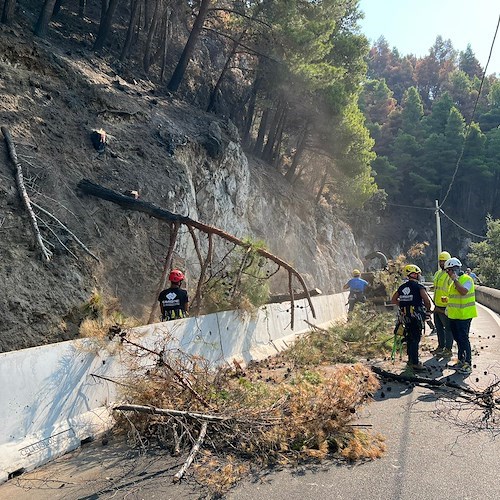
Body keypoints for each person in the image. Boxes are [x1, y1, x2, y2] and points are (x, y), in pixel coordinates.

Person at [391, 264, 433, 372]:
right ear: (414, 274)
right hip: (416, 316)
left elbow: (394, 299)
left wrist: (403, 304)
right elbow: (427, 301)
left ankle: (410, 360)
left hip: (406, 317)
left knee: (409, 337)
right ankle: (415, 363)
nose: (419, 276)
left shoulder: (402, 287)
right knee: (415, 338)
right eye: (418, 274)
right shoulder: (418, 287)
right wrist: (427, 311)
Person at [444, 258, 477, 374]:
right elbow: (455, 298)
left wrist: (455, 279)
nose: (447, 274)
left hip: (464, 316)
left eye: (448, 271)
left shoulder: (467, 279)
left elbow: (463, 291)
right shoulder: (453, 283)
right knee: (458, 340)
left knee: (463, 339)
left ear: (454, 269)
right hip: (454, 316)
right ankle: (460, 360)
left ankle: (467, 363)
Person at [432, 251, 454, 358]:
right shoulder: (437, 273)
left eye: (444, 261)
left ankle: (448, 349)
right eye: (440, 261)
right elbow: (436, 287)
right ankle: (441, 346)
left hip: (446, 306)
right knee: (438, 327)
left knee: (448, 328)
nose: (442, 263)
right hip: (436, 305)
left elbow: (453, 291)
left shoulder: (450, 275)